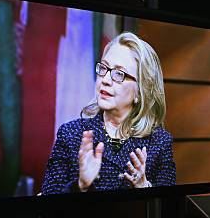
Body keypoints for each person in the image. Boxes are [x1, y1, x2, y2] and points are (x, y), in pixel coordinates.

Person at [41, 32, 176, 195]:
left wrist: (144, 188)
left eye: (119, 74)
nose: (105, 79)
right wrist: (80, 186)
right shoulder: (70, 134)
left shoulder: (160, 142)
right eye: (104, 68)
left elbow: (169, 210)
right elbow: (47, 209)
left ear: (140, 90)